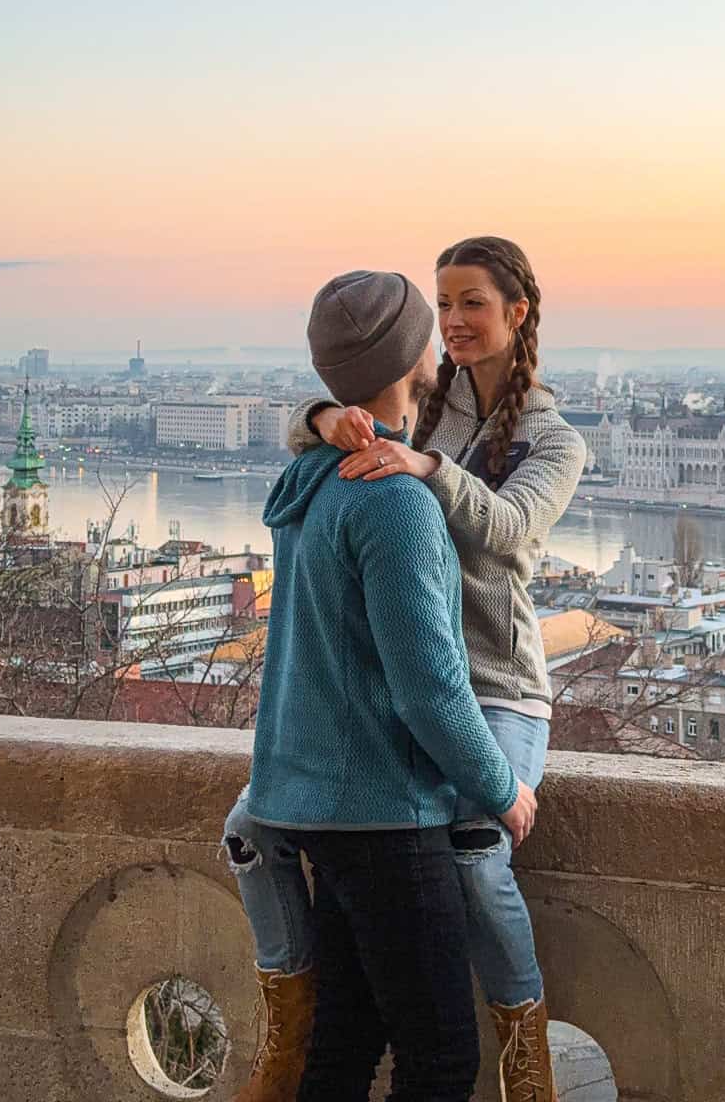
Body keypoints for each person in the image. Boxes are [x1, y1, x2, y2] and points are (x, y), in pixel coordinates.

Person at [226, 237, 585, 1102]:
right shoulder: (427, 404)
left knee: (473, 853)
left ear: (517, 314)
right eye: (444, 305)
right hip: (416, 685)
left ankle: (524, 1042)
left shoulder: (553, 439)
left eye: (473, 304)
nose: (456, 323)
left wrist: (425, 467)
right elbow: (324, 416)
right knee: (250, 828)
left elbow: (506, 528)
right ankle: (289, 1010)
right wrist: (324, 419)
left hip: (493, 677)